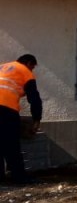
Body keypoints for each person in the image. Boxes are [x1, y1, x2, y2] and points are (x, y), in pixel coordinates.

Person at [0, 54, 42, 185]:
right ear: (28, 63)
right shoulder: (25, 71)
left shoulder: (2, 67)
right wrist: (36, 119)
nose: (32, 70)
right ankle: (19, 178)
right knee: (11, 145)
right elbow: (34, 98)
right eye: (33, 67)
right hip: (5, 110)